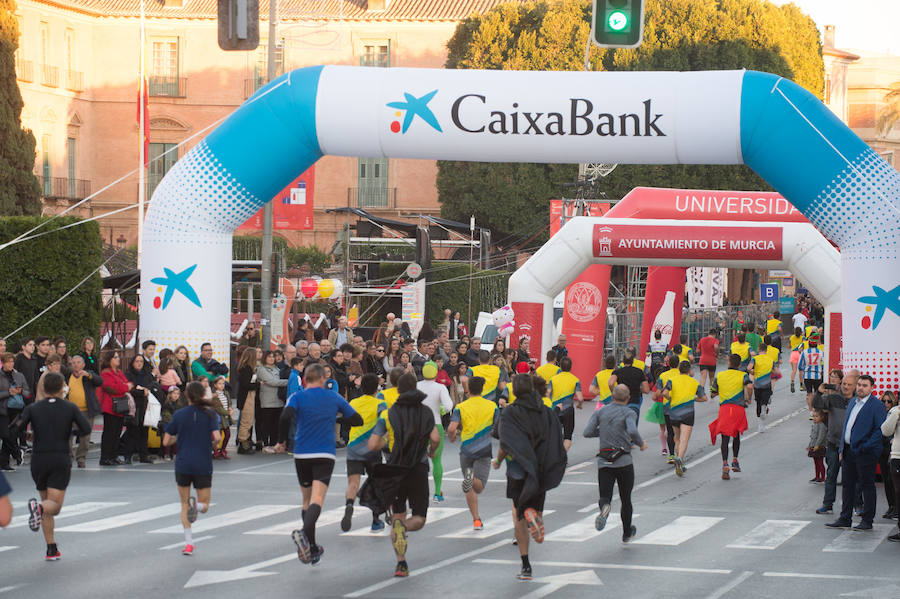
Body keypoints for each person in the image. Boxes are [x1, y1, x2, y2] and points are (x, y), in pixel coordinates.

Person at [276, 364, 361, 565]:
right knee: (317, 499)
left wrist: (281, 441)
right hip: (324, 453)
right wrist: (336, 416)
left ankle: (313, 549)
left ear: (305, 379)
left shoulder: (297, 397)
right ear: (323, 379)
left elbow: (285, 416)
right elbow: (356, 419)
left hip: (302, 453)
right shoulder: (333, 397)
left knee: (306, 501)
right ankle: (304, 534)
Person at [494, 373, 566, 582]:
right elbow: (556, 437)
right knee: (536, 506)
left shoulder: (509, 413)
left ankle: (526, 566)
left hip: (518, 469)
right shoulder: (546, 412)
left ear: (515, 391)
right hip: (541, 468)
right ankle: (536, 518)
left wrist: (498, 461)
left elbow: (505, 442)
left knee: (518, 514)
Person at [366, 372, 439, 577]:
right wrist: (431, 452)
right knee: (419, 517)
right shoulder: (425, 412)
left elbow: (372, 444)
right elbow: (435, 438)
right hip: (418, 467)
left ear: (397, 389)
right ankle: (404, 527)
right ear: (416, 388)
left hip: (395, 468)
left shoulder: (388, 414)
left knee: (398, 514)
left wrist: (385, 441)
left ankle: (401, 563)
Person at [19, 372, 92, 560]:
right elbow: (86, 428)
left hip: (38, 458)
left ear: (43, 388)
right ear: (62, 388)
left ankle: (51, 548)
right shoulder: (70, 407)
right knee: (54, 506)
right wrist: (70, 431)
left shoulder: (33, 408)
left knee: (46, 500)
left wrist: (30, 435)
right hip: (59, 457)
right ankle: (38, 509)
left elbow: (16, 428)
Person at [163, 381, 221, 556]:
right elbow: (217, 437)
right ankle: (197, 505)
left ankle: (189, 544)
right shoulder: (210, 414)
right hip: (202, 463)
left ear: (186, 396)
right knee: (205, 505)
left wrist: (178, 439)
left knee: (183, 504)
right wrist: (213, 445)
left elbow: (166, 441)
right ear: (203, 395)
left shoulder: (179, 414)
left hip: (183, 463)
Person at [584, 383, 647, 540]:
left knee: (605, 495)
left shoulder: (601, 411)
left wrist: (604, 431)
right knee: (626, 499)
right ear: (627, 398)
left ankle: (605, 507)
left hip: (604, 461)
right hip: (624, 460)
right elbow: (632, 430)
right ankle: (626, 532)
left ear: (612, 397)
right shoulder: (629, 412)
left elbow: (587, 432)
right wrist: (641, 443)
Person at [826, 375, 886, 531]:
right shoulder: (853, 402)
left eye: (864, 385)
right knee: (847, 486)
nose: (860, 387)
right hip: (847, 451)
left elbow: (880, 431)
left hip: (865, 453)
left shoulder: (876, 405)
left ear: (871, 387)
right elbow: (847, 426)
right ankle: (845, 518)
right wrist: (841, 448)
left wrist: (864, 447)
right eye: (859, 384)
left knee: (867, 487)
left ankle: (867, 520)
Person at [447, 376, 499, 531]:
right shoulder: (492, 406)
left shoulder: (460, 407)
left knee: (469, 487)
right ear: (482, 389)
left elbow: (451, 428)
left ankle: (476, 520)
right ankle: (471, 479)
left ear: (468, 389)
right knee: (479, 487)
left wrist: (452, 437)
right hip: (483, 449)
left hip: (466, 449)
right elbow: (498, 428)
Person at [342, 374, 386, 533]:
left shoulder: (353, 402)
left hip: (354, 447)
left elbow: (347, 419)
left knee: (353, 483)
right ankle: (375, 520)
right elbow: (384, 423)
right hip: (372, 448)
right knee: (375, 483)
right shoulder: (381, 404)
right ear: (377, 388)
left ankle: (349, 506)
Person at [817, 370, 856, 515]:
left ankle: (857, 505)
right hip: (833, 444)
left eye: (848, 384)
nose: (845, 387)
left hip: (850, 446)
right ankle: (827, 504)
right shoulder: (833, 398)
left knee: (853, 478)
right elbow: (817, 406)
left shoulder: (858, 401)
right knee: (831, 475)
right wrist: (819, 393)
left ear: (855, 386)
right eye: (844, 384)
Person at [709, 354, 752, 480]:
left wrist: (716, 394)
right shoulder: (742, 375)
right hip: (738, 409)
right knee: (736, 434)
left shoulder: (720, 376)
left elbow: (712, 393)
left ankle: (725, 464)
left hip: (725, 409)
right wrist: (748, 398)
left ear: (728, 363)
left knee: (725, 437)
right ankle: (735, 460)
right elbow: (749, 386)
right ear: (739, 365)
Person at [662, 361, 708, 477]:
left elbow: (664, 392)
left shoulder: (672, 380)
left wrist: (670, 398)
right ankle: (680, 459)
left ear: (679, 370)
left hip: (674, 412)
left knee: (677, 438)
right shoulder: (694, 382)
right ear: (689, 371)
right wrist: (693, 399)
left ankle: (679, 462)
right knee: (684, 440)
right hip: (688, 413)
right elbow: (704, 398)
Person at [417, 361, 453, 502]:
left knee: (418, 460)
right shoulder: (440, 387)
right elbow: (449, 405)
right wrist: (442, 410)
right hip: (436, 424)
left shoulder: (416, 385)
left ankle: (419, 491)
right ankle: (437, 493)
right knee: (436, 460)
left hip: (419, 426)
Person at [66, 355, 102, 468]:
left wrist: (89, 375)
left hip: (86, 411)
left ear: (83, 365)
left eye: (78, 362)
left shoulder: (88, 374)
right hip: (70, 411)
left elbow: (100, 381)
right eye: (73, 363)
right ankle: (68, 458)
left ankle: (81, 458)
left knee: (85, 437)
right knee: (68, 436)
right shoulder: (67, 376)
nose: (76, 365)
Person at [97, 351, 133, 466]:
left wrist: (124, 387)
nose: (118, 359)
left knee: (117, 432)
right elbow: (112, 388)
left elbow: (128, 384)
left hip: (120, 406)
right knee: (109, 433)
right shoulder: (105, 373)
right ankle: (105, 457)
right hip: (110, 407)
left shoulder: (119, 372)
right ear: (110, 360)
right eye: (116, 357)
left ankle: (113, 456)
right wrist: (125, 387)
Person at [123, 354, 158, 464]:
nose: (139, 363)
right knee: (131, 432)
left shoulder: (147, 375)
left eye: (141, 361)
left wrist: (142, 389)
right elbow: (131, 389)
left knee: (144, 432)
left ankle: (144, 456)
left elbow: (151, 387)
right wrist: (142, 391)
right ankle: (128, 456)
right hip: (133, 406)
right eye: (137, 361)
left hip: (144, 406)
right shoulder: (128, 374)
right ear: (133, 362)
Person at [0, 352, 30, 470]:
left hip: (17, 409)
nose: (10, 364)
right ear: (3, 363)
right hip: (3, 409)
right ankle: (17, 453)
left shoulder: (19, 376)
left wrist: (21, 391)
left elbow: (28, 393)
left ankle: (4, 463)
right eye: (8, 362)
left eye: (12, 361)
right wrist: (8, 392)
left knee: (11, 436)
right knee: (5, 434)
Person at [548, 356, 583, 452]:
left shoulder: (553, 379)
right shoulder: (575, 380)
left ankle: (554, 455)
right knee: (567, 437)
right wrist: (579, 405)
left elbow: (547, 393)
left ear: (560, 367)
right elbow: (580, 398)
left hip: (555, 409)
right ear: (571, 367)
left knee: (554, 435)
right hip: (568, 410)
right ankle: (562, 456)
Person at [256, 350, 287, 452]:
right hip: (267, 401)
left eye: (273, 357)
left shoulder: (277, 369)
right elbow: (272, 382)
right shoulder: (261, 369)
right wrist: (289, 381)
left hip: (278, 400)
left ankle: (274, 444)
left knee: (276, 424)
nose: (271, 358)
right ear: (265, 358)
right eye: (269, 357)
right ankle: (265, 444)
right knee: (266, 424)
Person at [881, 393, 900, 541]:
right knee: (897, 492)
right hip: (897, 457)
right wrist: (897, 412)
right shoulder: (895, 412)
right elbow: (886, 430)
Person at [748, 340, 778, 433]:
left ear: (759, 349)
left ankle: (760, 426)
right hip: (767, 384)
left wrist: (753, 372)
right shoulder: (770, 360)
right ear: (766, 350)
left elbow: (749, 368)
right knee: (765, 400)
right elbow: (776, 371)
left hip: (757, 384)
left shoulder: (755, 359)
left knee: (757, 403)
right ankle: (764, 407)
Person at [656, 355, 681, 463]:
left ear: (669, 364)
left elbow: (659, 391)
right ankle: (679, 453)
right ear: (678, 364)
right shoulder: (682, 374)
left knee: (670, 431)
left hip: (667, 407)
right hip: (680, 406)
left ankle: (671, 455)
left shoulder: (662, 375)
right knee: (679, 432)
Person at [608, 352, 650, 418]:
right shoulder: (639, 372)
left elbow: (610, 383)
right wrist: (638, 389)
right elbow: (646, 390)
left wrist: (615, 392)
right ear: (632, 361)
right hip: (634, 402)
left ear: (623, 361)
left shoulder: (617, 372)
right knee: (632, 425)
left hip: (621, 402)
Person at [235, 347, 260, 454]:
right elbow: (246, 385)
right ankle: (243, 443)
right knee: (246, 421)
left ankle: (247, 441)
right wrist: (258, 384)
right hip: (246, 397)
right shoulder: (246, 369)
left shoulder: (250, 368)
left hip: (250, 396)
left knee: (249, 420)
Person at [879, 391, 898, 519]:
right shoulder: (881, 415)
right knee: (886, 480)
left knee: (894, 482)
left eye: (889, 401)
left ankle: (896, 508)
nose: (886, 403)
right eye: (883, 401)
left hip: (893, 451)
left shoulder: (895, 413)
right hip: (883, 450)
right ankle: (891, 506)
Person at [799, 337, 825, 413]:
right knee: (817, 394)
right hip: (817, 376)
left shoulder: (804, 352)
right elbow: (824, 364)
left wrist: (805, 369)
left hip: (807, 376)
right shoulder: (821, 352)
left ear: (809, 344)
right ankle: (817, 410)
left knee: (809, 394)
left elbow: (800, 366)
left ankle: (811, 412)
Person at [211, 376, 233, 459]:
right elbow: (218, 408)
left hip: (226, 418)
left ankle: (223, 450)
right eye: (219, 384)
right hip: (219, 418)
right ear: (215, 385)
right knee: (218, 436)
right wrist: (228, 412)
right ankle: (215, 450)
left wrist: (230, 407)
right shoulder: (215, 395)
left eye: (223, 383)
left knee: (227, 434)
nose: (222, 385)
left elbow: (229, 402)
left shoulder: (226, 393)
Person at [809, 409, 827, 483]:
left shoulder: (822, 426)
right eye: (813, 416)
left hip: (819, 447)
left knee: (820, 462)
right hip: (813, 446)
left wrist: (817, 445)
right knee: (816, 462)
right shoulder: (815, 425)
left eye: (816, 416)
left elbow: (821, 436)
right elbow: (812, 436)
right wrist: (810, 445)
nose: (815, 418)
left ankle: (823, 477)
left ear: (821, 417)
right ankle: (817, 476)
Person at [788, 327, 805, 394]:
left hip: (793, 354)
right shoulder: (802, 338)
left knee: (794, 370)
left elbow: (789, 346)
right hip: (800, 354)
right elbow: (803, 345)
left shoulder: (791, 337)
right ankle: (801, 385)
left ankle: (792, 382)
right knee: (801, 371)